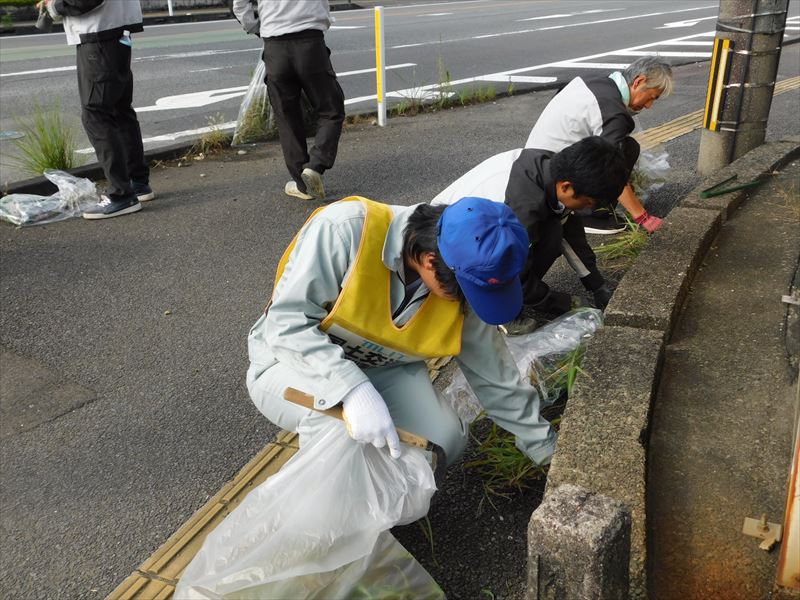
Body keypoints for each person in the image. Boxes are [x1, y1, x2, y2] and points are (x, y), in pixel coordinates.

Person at [246, 196, 557, 468]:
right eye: (467, 294)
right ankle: (350, 532)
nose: (469, 304)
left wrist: (545, 448)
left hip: (382, 368)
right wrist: (351, 389)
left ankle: (383, 503)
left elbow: (495, 376)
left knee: (443, 442)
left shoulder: (467, 273)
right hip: (288, 363)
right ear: (429, 260)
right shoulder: (345, 231)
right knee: (339, 429)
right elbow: (287, 325)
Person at [432, 137, 628, 335]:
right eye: (589, 202)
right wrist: (559, 303)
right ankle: (501, 311)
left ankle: (515, 297)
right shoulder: (524, 208)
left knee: (553, 231)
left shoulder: (555, 170)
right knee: (539, 240)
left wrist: (596, 284)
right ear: (566, 187)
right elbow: (511, 264)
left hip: (483, 233)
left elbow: (571, 231)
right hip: (448, 247)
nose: (589, 209)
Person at [526, 57, 674, 234]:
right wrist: (643, 217)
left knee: (628, 146)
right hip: (553, 176)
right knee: (618, 156)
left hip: (536, 162)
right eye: (652, 97)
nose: (649, 106)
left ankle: (589, 208)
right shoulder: (614, 113)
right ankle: (590, 215)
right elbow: (610, 169)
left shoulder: (599, 84)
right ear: (639, 82)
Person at [39, 0, 154, 220]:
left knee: (96, 114)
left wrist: (54, 7)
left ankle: (122, 195)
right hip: (118, 30)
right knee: (120, 110)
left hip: (98, 34)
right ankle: (137, 183)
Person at [233, 0, 345, 202]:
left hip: (275, 47)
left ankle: (302, 185)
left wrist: (256, 27)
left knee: (286, 117)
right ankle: (315, 166)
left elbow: (239, 5)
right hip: (310, 42)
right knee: (330, 110)